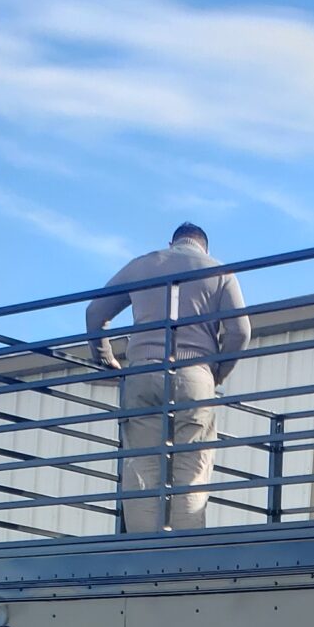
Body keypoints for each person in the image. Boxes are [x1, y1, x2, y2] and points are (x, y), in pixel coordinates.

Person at [86, 224, 253, 532]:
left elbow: (95, 312)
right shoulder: (219, 271)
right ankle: (184, 552)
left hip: (143, 372)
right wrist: (216, 372)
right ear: (204, 247)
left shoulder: (142, 265)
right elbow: (240, 332)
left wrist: (105, 359)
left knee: (142, 469)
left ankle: (144, 551)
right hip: (195, 376)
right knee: (191, 472)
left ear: (171, 243)